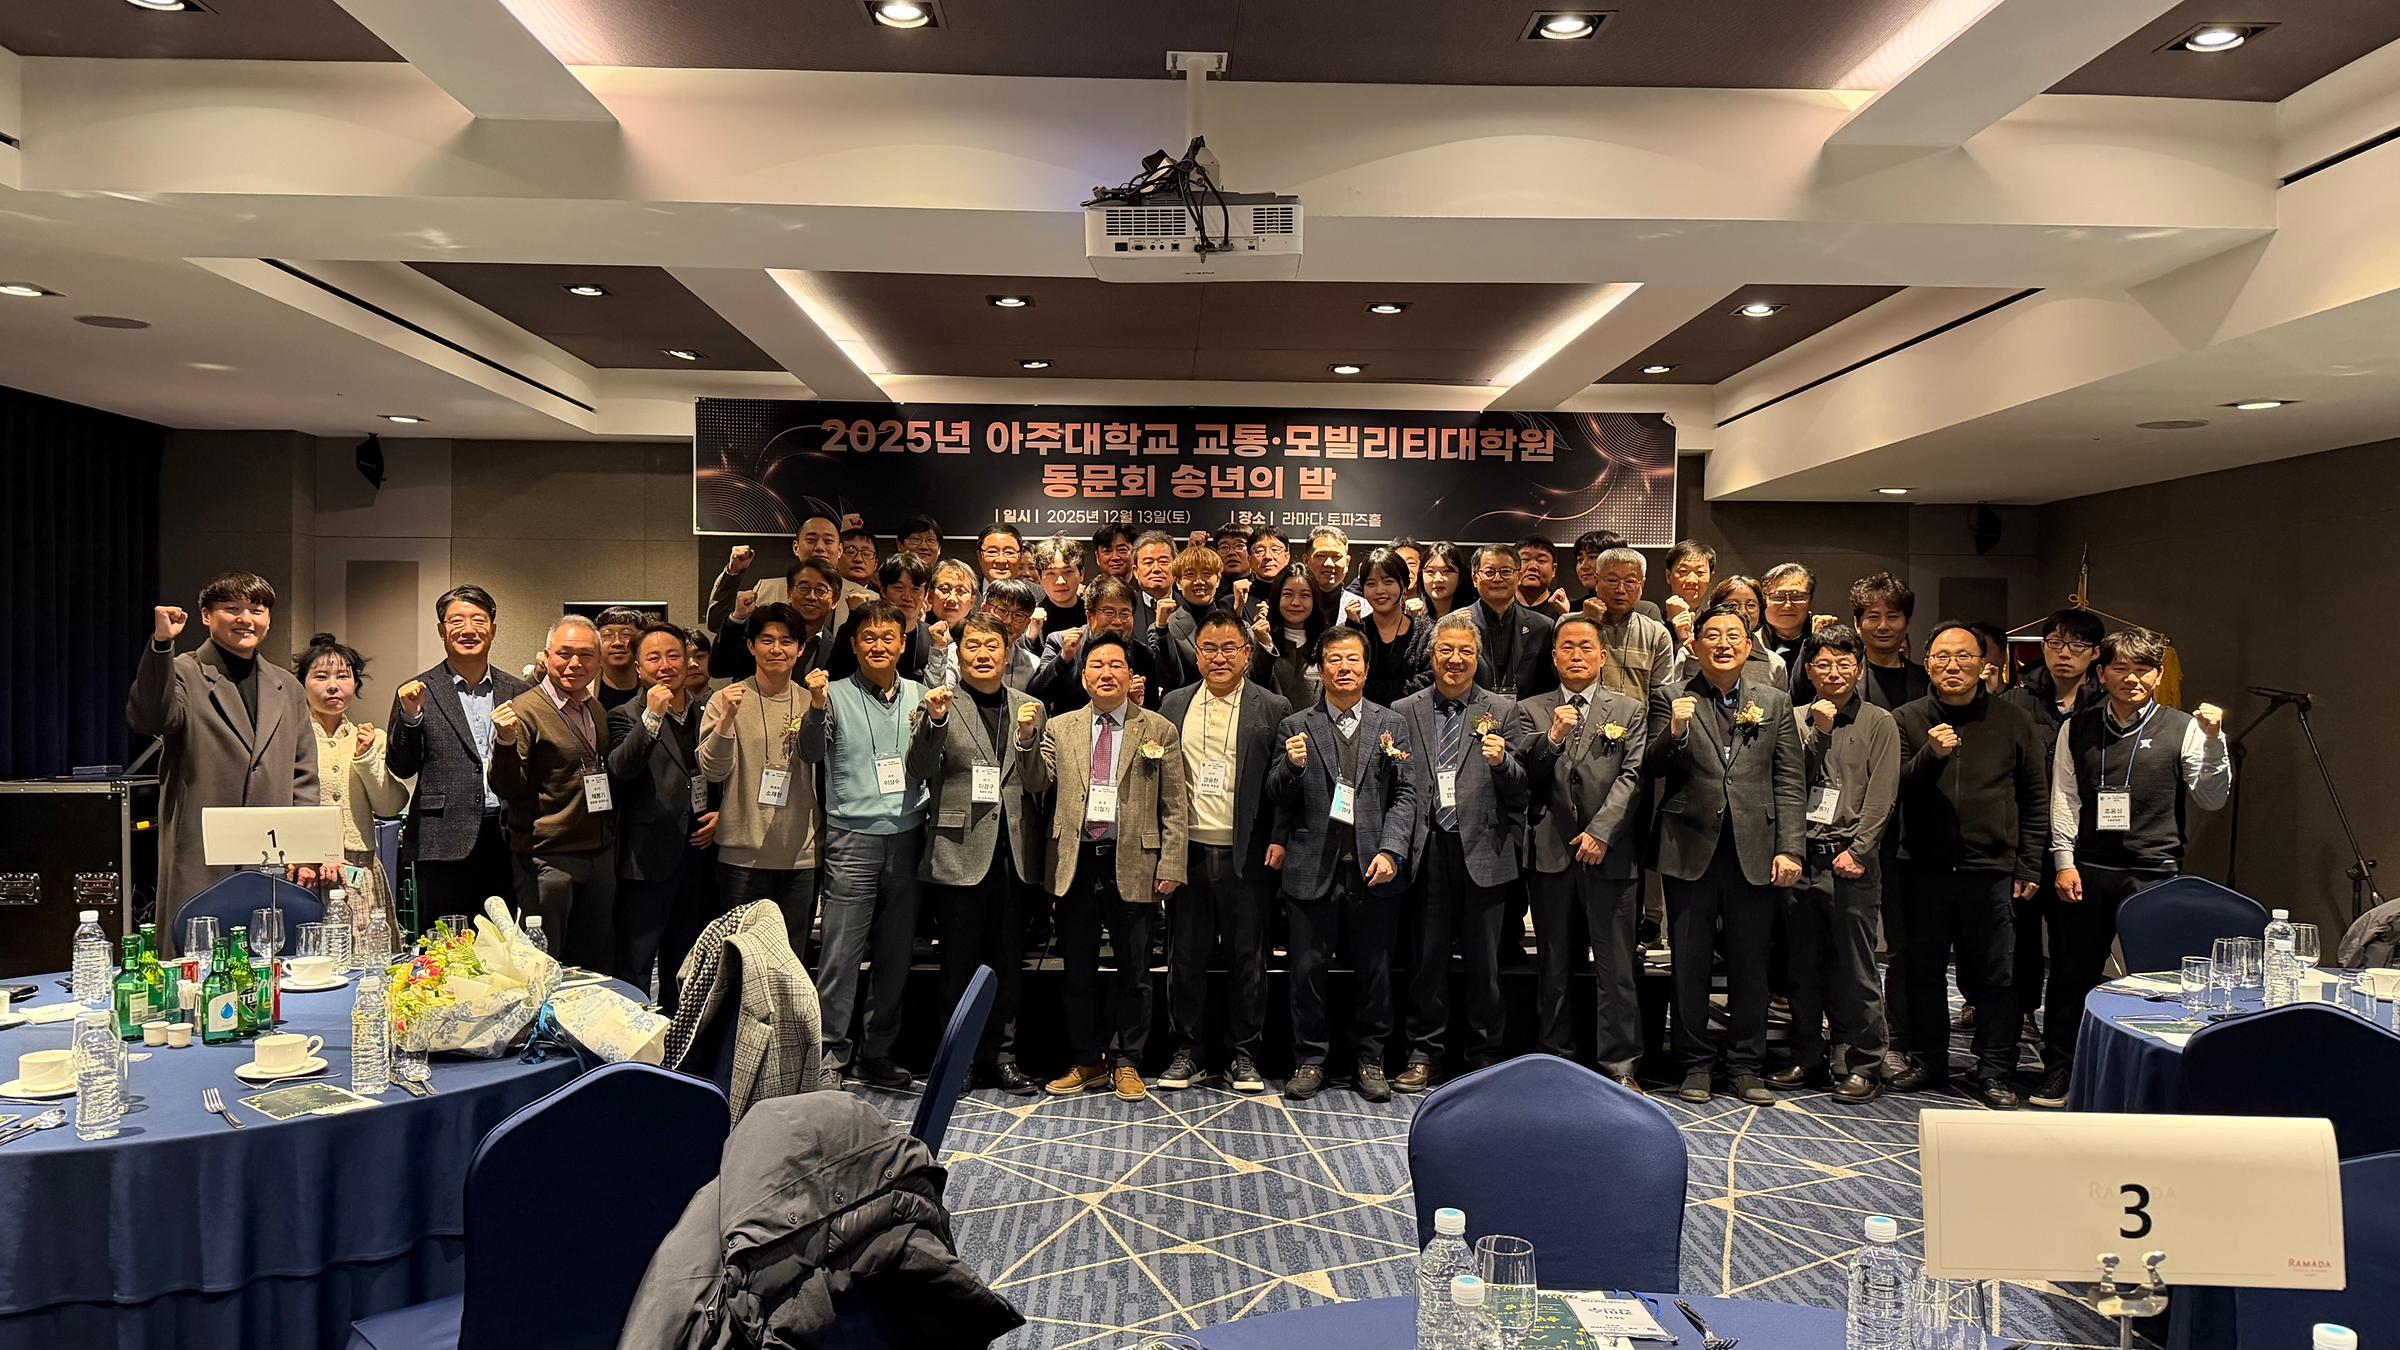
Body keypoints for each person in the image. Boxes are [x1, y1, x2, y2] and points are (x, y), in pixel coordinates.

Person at [2034, 626, 2228, 1108]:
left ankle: (2157, 1078)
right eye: (2120, 667)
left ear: (2158, 675)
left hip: (2154, 870)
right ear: (2101, 673)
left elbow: (2211, 797)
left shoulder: (2183, 727)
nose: (2132, 678)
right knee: (2071, 974)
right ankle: (2061, 1070)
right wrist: (2063, 861)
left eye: (2143, 669)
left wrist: (2214, 742)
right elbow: (2065, 798)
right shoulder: (2077, 727)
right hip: (2088, 868)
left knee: (2157, 978)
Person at [1646, 604, 1805, 1105]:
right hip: (1688, 846)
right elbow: (1652, 765)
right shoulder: (1671, 697)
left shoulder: (1774, 701)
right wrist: (1674, 732)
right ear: (1694, 645)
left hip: (1755, 849)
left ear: (1748, 644)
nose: (1722, 644)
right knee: (1689, 963)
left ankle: (1745, 1065)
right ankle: (1693, 1063)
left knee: (1750, 964)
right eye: (1711, 635)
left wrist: (1790, 847)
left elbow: (1789, 780)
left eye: (1733, 635)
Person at [1888, 621, 2050, 1109]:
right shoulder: (1907, 718)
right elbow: (1897, 790)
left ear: (1984, 665)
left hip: (1992, 869)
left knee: (1996, 975)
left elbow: (2034, 798)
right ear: (1927, 664)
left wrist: (2029, 866)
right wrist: (1932, 755)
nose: (1952, 666)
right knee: (1923, 970)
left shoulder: (2014, 719)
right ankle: (1929, 1060)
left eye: (1963, 657)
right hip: (1923, 868)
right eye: (1941, 657)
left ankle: (1995, 1068)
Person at [1024, 635, 1188, 1103]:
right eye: (1096, 665)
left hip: (1134, 860)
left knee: (1135, 971)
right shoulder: (1060, 727)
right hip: (1075, 862)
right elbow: (1036, 781)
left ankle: (1129, 1060)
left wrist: (1172, 862)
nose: (1106, 673)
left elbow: (1174, 804)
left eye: (1116, 664)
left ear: (1131, 675)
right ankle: (1087, 1059)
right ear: (1084, 676)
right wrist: (1027, 739)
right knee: (1078, 970)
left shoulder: (1157, 729)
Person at [129, 572, 321, 951]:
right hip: (202, 849)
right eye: (232, 609)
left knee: (267, 954)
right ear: (206, 615)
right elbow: (150, 717)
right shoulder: (183, 671)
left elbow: (304, 774)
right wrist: (161, 645)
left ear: (268, 619)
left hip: (270, 850)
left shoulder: (287, 686)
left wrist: (303, 849)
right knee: (196, 954)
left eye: (256, 610)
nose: (245, 619)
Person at [1266, 626, 1417, 1102]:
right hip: (1312, 866)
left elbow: (1406, 794)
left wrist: (1392, 850)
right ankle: (1310, 1059)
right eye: (1334, 659)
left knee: (1375, 971)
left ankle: (1370, 1060)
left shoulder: (1392, 723)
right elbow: (1277, 794)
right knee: (1306, 972)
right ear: (1320, 668)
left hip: (1374, 866)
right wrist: (1290, 768)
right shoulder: (1296, 725)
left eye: (1353, 659)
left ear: (1367, 669)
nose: (1344, 668)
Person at [908, 613, 1048, 1095]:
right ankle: (958, 1060)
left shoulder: (1030, 707)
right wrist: (936, 722)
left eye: (992, 645)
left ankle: (1004, 1057)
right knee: (957, 967)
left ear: (1008, 654)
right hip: (958, 852)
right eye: (973, 646)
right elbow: (919, 768)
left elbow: (1038, 782)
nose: (983, 654)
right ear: (959, 653)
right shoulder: (939, 702)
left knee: (1008, 964)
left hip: (1015, 855)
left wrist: (1027, 742)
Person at [1392, 614, 1531, 1090]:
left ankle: (1485, 1055)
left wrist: (1503, 762)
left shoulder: (1502, 710)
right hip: (1427, 847)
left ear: (1478, 658)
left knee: (1484, 965)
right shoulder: (1404, 710)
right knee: (1426, 961)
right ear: (1432, 657)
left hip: (1484, 849)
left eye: (1465, 651)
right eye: (1446, 651)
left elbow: (1521, 789)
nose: (1455, 660)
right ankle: (1424, 1053)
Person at [1156, 611, 1292, 1095]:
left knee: (1248, 961)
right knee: (1185, 960)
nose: (1218, 657)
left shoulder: (1272, 705)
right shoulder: (1174, 703)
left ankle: (1244, 1054)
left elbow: (1283, 782)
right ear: (1196, 655)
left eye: (1229, 648)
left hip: (1247, 853)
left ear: (1247, 654)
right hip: (1188, 851)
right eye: (1209, 648)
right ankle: (1186, 1052)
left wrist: (1279, 837)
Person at [797, 600, 932, 1090]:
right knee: (840, 954)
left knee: (895, 955)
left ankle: (877, 1052)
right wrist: (815, 708)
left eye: (888, 637)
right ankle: (829, 1054)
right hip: (851, 838)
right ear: (853, 645)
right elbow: (810, 752)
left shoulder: (921, 695)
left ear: (902, 643)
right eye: (868, 638)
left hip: (908, 834)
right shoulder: (830, 693)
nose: (879, 645)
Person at [1520, 615, 1649, 1087]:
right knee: (1553, 967)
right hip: (1551, 853)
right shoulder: (1530, 709)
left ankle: (1620, 1066)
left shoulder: (1630, 710)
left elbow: (1633, 777)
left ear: (1602, 655)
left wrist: (1601, 832)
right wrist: (1553, 737)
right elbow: (1525, 777)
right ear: (1554, 657)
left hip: (1609, 854)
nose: (1576, 655)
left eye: (1585, 647)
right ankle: (1554, 1060)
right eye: (1567, 647)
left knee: (1616, 970)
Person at [1773, 625, 1897, 1104]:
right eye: (1823, 664)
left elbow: (1882, 796)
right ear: (1808, 670)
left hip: (1851, 860)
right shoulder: (1795, 718)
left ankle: (1866, 1063)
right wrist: (1818, 734)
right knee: (1802, 966)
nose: (1834, 673)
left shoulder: (1879, 722)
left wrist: (1860, 851)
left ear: (1859, 669)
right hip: (1801, 857)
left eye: (1844, 664)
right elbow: (1789, 784)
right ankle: (1808, 1056)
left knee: (1856, 968)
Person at [387, 584, 528, 926]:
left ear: (493, 629)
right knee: (445, 940)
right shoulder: (418, 690)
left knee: (505, 940)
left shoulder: (520, 691)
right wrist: (411, 717)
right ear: (441, 630)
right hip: (442, 838)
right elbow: (401, 767)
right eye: (456, 621)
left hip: (507, 835)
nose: (468, 629)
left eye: (478, 620)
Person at [2000, 606, 2107, 1045]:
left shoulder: (2106, 704)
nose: (2064, 654)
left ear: (2095, 653)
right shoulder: (2015, 700)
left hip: (2083, 844)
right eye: (2056, 643)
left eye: (2077, 645)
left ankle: (2066, 1035)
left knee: (2071, 944)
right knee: (2019, 937)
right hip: (2024, 839)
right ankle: (2020, 1015)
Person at [488, 614, 616, 970]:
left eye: (586, 655)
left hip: (598, 853)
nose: (575, 663)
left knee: (594, 963)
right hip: (547, 858)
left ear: (599, 661)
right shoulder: (524, 711)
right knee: (545, 964)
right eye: (564, 653)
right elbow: (506, 787)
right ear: (546, 657)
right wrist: (505, 742)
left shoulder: (596, 709)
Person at [698, 604, 822, 967]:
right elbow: (713, 770)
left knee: (791, 963)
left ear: (800, 648)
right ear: (751, 646)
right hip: (742, 854)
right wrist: (727, 721)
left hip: (800, 854)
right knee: (739, 962)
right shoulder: (726, 699)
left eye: (786, 641)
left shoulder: (813, 701)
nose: (776, 649)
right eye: (766, 640)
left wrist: (818, 709)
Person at [607, 623, 719, 1007]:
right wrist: (652, 718)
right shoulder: (624, 714)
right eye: (653, 658)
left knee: (686, 961)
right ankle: (632, 1037)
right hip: (647, 858)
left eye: (673, 655)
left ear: (688, 660)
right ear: (639, 669)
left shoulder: (708, 710)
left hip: (699, 853)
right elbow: (621, 770)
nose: (665, 665)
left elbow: (722, 772)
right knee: (636, 962)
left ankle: (677, 1033)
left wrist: (721, 814)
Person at [295, 632, 409, 946]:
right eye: (321, 677)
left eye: (343, 676)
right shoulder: (291, 739)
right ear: (302, 684)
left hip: (361, 869)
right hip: (309, 870)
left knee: (368, 959)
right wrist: (313, 855)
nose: (333, 686)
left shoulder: (370, 738)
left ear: (355, 684)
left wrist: (366, 757)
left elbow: (389, 807)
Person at [1028, 577, 1180, 715]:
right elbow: (1036, 695)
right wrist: (1064, 658)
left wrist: (1135, 704)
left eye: (1125, 614)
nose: (1118, 621)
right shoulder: (1060, 642)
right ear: (1089, 616)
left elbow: (1153, 708)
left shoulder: (1143, 654)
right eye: (1109, 613)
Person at [712, 557, 843, 682]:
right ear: (789, 593)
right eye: (803, 588)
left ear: (835, 601)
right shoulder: (760, 629)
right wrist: (738, 618)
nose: (811, 596)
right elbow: (719, 668)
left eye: (821, 590)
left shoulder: (835, 649)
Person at [1580, 547, 1676, 700]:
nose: (1620, 590)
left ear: (1642, 585)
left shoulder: (1656, 634)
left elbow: (1661, 695)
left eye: (1630, 582)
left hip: (1639, 716)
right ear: (1596, 581)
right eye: (1612, 580)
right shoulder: (1568, 625)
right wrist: (1589, 624)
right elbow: (1563, 676)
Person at [1463, 544, 1556, 699]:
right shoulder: (1458, 624)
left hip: (1526, 710)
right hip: (1471, 708)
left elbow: (1548, 684)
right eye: (1489, 572)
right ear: (1474, 578)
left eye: (1506, 572)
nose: (1497, 579)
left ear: (1519, 577)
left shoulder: (1542, 626)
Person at [828, 553, 934, 681]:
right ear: (883, 590)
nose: (907, 597)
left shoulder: (932, 637)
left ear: (926, 594)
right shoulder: (854, 631)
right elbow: (835, 679)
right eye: (899, 588)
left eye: (915, 589)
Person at [1356, 547, 1431, 709]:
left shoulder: (1426, 632)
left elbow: (1428, 680)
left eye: (1388, 581)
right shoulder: (1354, 633)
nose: (1380, 590)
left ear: (1404, 585)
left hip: (1413, 715)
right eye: (1371, 584)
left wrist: (1370, 691)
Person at [1849, 573, 1928, 711]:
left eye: (1892, 617)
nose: (1883, 626)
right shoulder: (1845, 676)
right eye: (1873, 617)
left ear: (1907, 623)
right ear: (1857, 624)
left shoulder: (1926, 680)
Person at [1255, 569, 1329, 711]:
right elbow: (1255, 686)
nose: (1295, 602)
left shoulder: (1326, 643)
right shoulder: (1259, 637)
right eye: (1288, 594)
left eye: (1305, 595)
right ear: (1277, 597)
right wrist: (1265, 644)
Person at [1701, 576, 1789, 690]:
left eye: (1751, 605)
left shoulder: (1775, 663)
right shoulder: (1696, 653)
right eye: (1732, 605)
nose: (1742, 612)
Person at [1161, 544, 1225, 675]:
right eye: (1190, 575)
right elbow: (1169, 678)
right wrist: (1161, 631)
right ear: (1177, 582)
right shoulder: (1166, 628)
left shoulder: (1236, 625)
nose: (1199, 581)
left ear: (1218, 579)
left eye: (1206, 574)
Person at [920, 559, 981, 689]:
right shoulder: (917, 632)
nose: (952, 599)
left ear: (972, 601)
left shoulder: (978, 637)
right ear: (930, 596)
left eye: (961, 591)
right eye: (944, 589)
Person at [1756, 563, 1817, 695]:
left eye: (1797, 596)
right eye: (1778, 597)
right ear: (1764, 601)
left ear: (1810, 600)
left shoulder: (1824, 640)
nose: (1788, 605)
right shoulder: (1748, 646)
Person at [974, 578, 1046, 688]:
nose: (1008, 621)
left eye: (1018, 615)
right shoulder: (957, 654)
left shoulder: (1033, 666)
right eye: (1002, 610)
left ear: (1027, 624)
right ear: (984, 610)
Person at [1304, 526, 1371, 625]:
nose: (1329, 563)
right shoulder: (1292, 605)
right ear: (1306, 561)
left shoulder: (1366, 610)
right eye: (1320, 556)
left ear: (1347, 562)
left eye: (1336, 556)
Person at [1662, 539, 1716, 651]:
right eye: (1683, 571)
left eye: (1700, 572)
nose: (1692, 580)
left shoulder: (1715, 623)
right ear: (1668, 576)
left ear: (1711, 578)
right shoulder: (1652, 619)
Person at [1029, 536, 1088, 639]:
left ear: (1081, 574)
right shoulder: (1029, 620)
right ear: (1040, 578)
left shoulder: (1094, 616)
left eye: (1068, 572)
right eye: (1051, 573)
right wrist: (1030, 638)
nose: (1060, 581)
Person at [592, 606, 648, 711]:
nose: (617, 642)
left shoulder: (654, 688)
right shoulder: (583, 691)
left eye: (626, 635)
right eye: (607, 635)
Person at [1130, 530, 1179, 632]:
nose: (1156, 569)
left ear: (1176, 567)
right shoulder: (1126, 610)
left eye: (1163, 562)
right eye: (1148, 562)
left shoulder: (1190, 609)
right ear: (1135, 571)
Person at [1515, 536, 1570, 617]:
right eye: (1525, 559)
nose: (1532, 567)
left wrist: (1565, 615)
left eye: (1541, 561)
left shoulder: (1565, 607)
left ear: (1553, 569)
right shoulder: (1502, 604)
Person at [1415, 542, 1469, 618]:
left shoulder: (1471, 616)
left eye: (1446, 571)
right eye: (1430, 571)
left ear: (1461, 576)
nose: (1437, 579)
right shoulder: (1416, 616)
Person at [835, 526, 881, 603]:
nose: (858, 559)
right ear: (837, 556)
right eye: (850, 552)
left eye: (866, 553)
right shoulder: (829, 592)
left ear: (875, 565)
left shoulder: (882, 596)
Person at [1091, 518, 1136, 584]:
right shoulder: (1090, 590)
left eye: (1122, 550)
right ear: (1097, 557)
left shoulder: (1146, 589)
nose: (1115, 557)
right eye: (1107, 551)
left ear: (1134, 553)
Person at [1247, 525, 1292, 590]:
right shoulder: (1241, 594)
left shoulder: (1297, 593)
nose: (1267, 556)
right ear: (1250, 559)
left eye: (1275, 549)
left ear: (1287, 557)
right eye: (1260, 550)